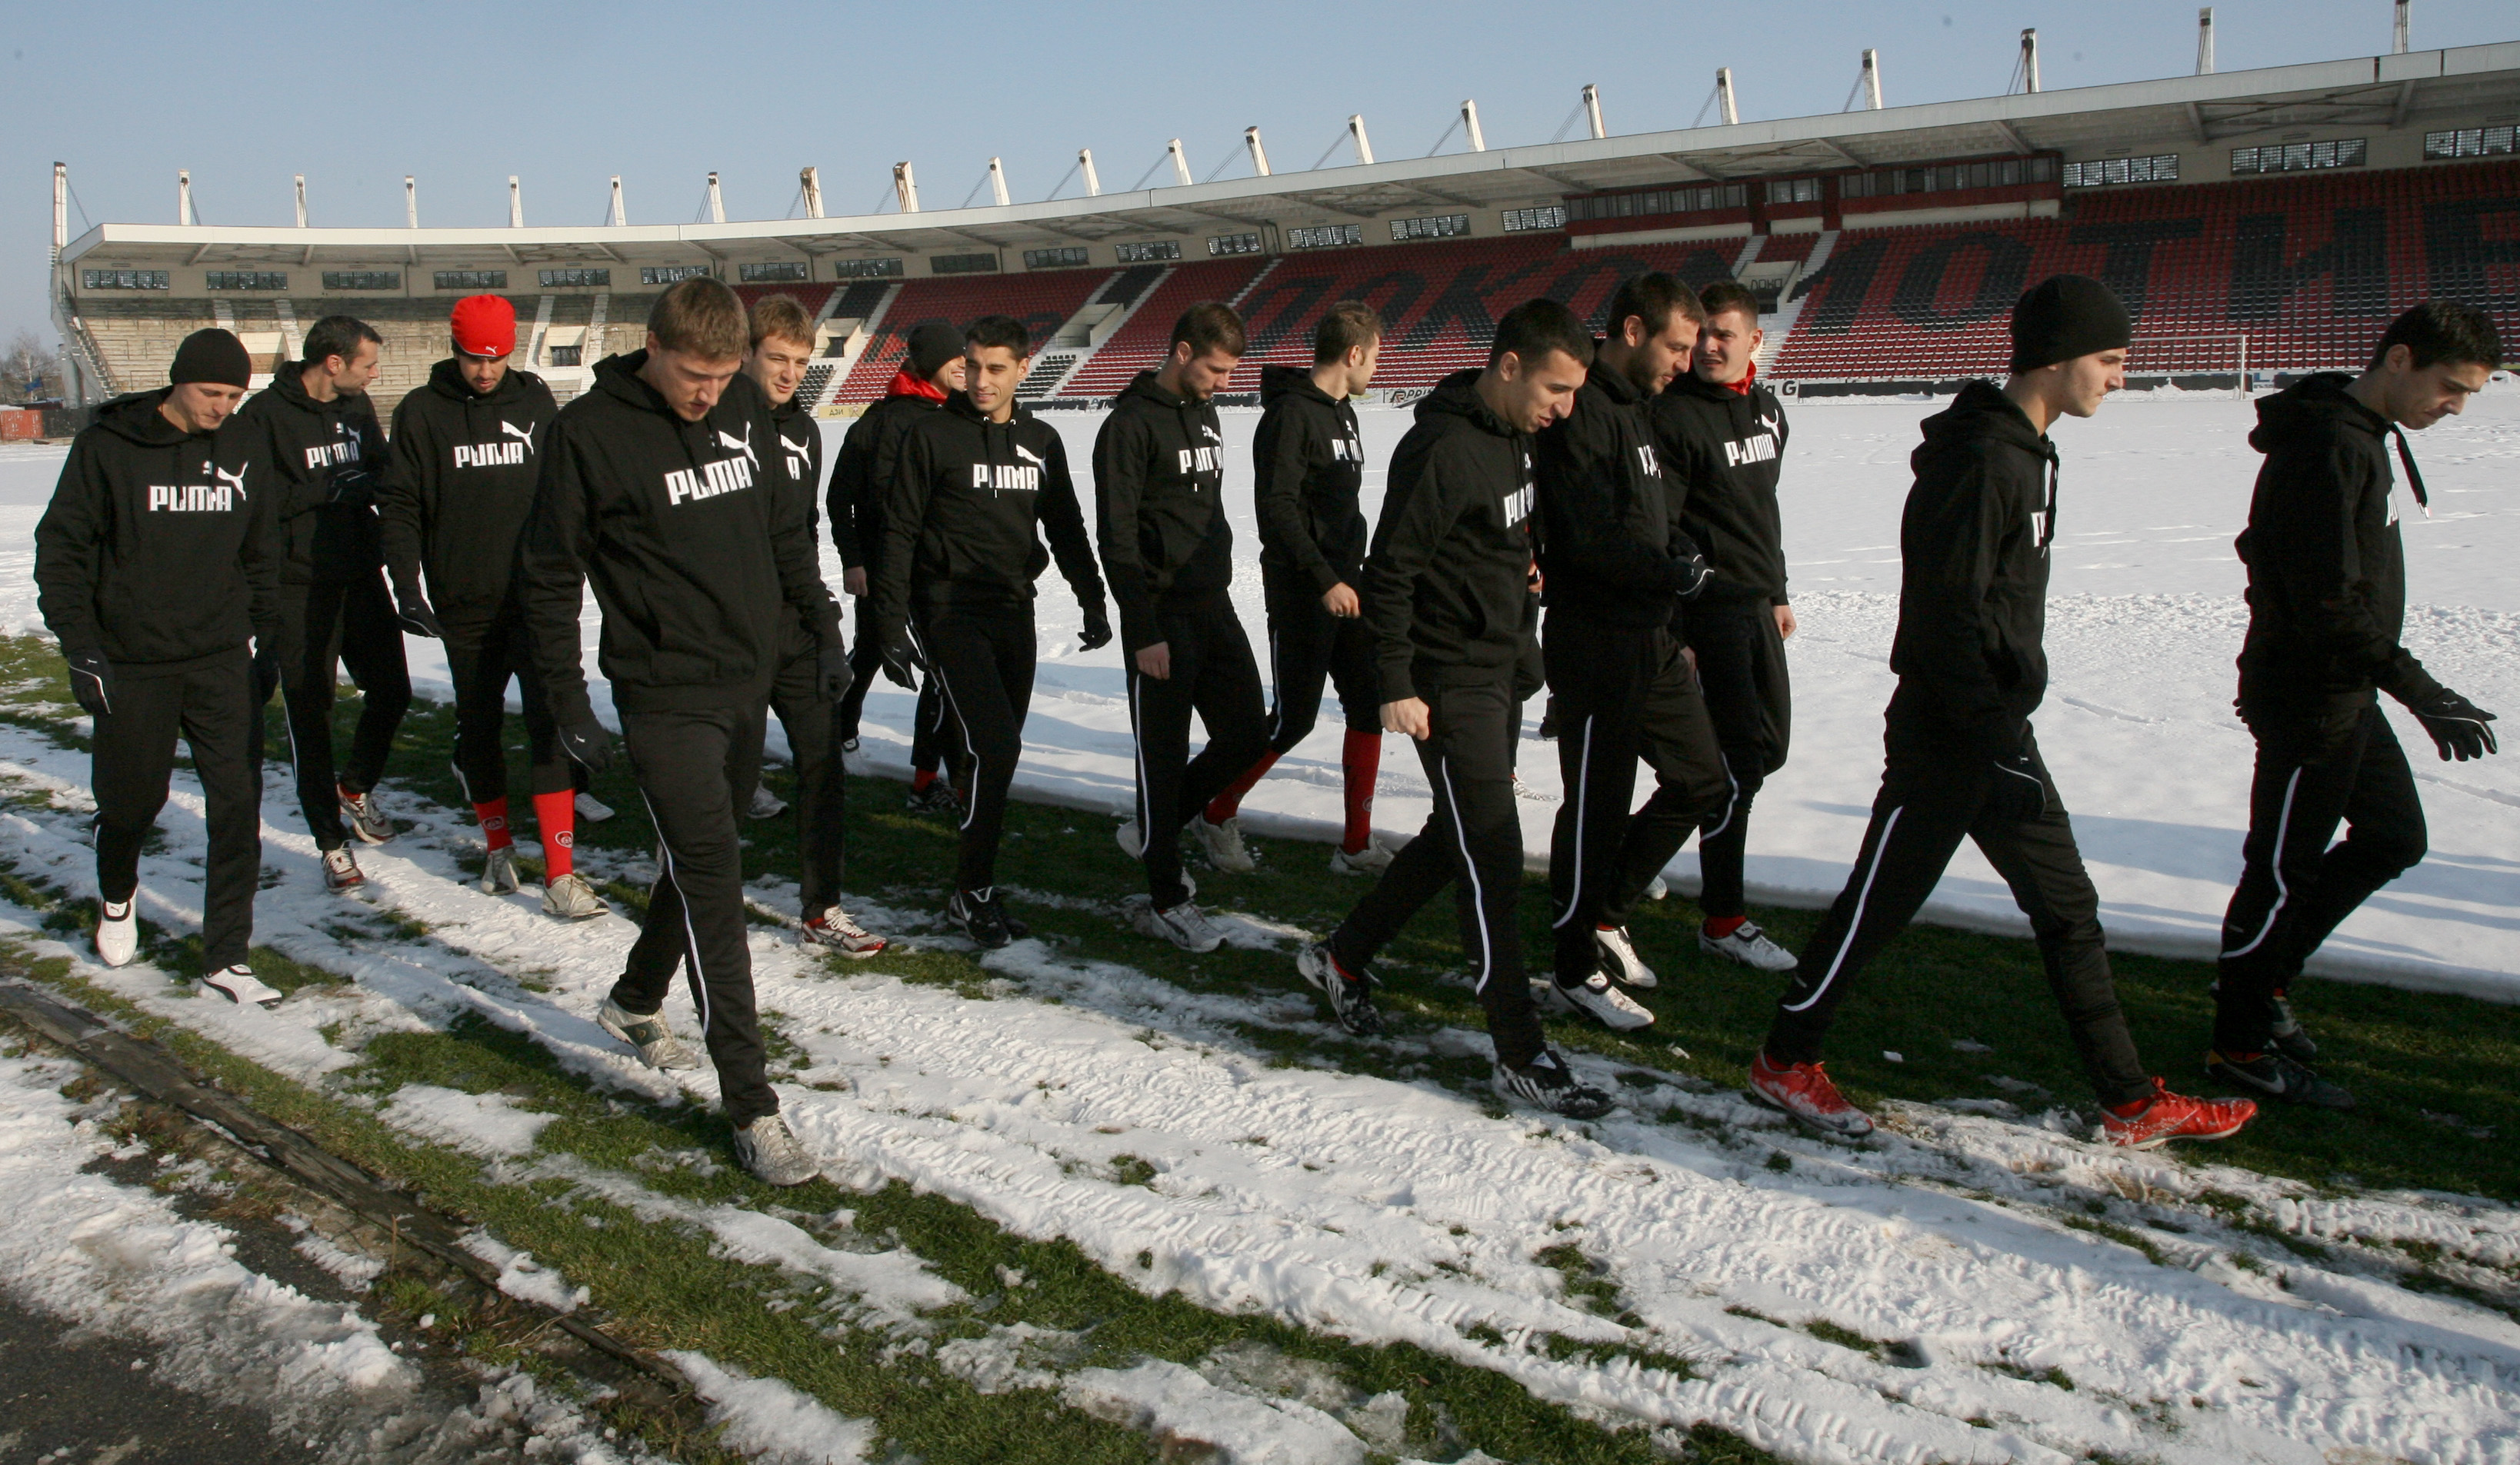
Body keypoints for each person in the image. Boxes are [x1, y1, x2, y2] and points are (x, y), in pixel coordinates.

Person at [1750, 275, 2257, 1150]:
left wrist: (2006, 734)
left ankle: (2130, 1102)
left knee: (2068, 909)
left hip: (1992, 732)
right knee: (1878, 906)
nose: (2120, 379)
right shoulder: (1984, 462)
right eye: (2110, 360)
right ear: (2057, 359)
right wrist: (1995, 738)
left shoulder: (2025, 451)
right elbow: (1940, 623)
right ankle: (1783, 1061)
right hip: (1952, 734)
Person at [517, 278, 847, 1187]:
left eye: (722, 374)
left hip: (745, 680)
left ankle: (632, 1000)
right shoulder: (588, 436)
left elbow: (782, 533)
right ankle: (752, 1104)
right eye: (693, 375)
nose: (709, 392)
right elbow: (548, 578)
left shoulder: (742, 402)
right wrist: (566, 702)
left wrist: (818, 628)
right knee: (713, 876)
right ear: (651, 346)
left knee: (698, 855)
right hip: (664, 695)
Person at [1295, 298, 1616, 1120]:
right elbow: (1391, 571)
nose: (1564, 409)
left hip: (1497, 671)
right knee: (1496, 860)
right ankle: (1518, 1048)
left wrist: (1524, 598)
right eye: (1555, 388)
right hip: (1444, 682)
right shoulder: (1440, 449)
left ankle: (1344, 955)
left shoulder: (1515, 439)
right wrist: (1395, 682)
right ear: (1508, 366)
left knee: (1457, 839)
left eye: (1575, 392)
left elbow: (1498, 543)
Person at [2208, 301, 2502, 1110]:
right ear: (2400, 359)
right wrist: (2422, 690)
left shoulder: (2363, 438)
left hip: (2346, 686)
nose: (2457, 406)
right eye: (2451, 387)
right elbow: (2328, 602)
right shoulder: (2330, 447)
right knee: (2278, 870)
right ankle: (2238, 1043)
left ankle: (2266, 987)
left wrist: (2396, 684)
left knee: (2393, 836)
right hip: (2310, 695)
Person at [35, 328, 284, 1007]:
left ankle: (227, 957)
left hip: (219, 659)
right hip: (133, 661)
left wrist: (268, 640)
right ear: (178, 381)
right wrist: (81, 645)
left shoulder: (243, 445)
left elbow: (264, 553)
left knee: (237, 807)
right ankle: (118, 894)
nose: (221, 408)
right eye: (211, 393)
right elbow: (61, 551)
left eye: (234, 395)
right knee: (130, 804)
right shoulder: (108, 448)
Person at [874, 315, 1112, 946]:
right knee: (996, 748)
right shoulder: (930, 435)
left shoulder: (1042, 440)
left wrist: (1092, 598)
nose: (980, 379)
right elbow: (896, 532)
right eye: (973, 365)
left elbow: (1064, 525)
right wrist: (890, 622)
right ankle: (971, 890)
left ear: (1022, 370)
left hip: (1015, 607)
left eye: (996, 368)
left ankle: (972, 885)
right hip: (947, 608)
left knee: (994, 757)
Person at [1535, 272, 1728, 1032]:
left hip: (1651, 636)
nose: (1689, 359)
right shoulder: (1583, 411)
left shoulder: (1642, 412)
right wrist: (1664, 569)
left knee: (1702, 780)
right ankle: (1572, 967)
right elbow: (1584, 542)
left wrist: (1679, 550)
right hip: (1597, 641)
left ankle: (1605, 910)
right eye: (1678, 345)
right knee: (1595, 807)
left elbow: (1642, 521)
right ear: (1636, 332)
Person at [378, 295, 608, 921]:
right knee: (477, 729)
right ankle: (498, 847)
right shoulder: (422, 413)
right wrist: (407, 585)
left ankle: (561, 874)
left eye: (496, 357)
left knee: (549, 725)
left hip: (538, 601)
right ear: (453, 349)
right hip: (465, 606)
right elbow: (400, 505)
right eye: (473, 358)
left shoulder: (534, 402)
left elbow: (566, 489)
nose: (485, 371)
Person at [1193, 302, 1389, 876]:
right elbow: (1276, 509)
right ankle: (1215, 808)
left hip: (1349, 588)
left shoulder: (1343, 412)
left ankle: (1355, 844)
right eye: (1375, 356)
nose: (1377, 367)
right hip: (1305, 592)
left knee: (1368, 707)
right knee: (1292, 719)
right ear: (1353, 354)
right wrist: (1323, 578)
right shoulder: (1290, 417)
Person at [1096, 303, 1270, 952]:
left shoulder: (1207, 412)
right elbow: (1115, 537)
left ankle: (1156, 826)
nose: (1225, 383)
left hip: (1212, 602)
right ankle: (1166, 897)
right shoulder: (1129, 425)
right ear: (1182, 352)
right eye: (1217, 369)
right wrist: (1141, 629)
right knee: (1161, 761)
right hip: (1159, 614)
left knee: (1249, 731)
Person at [1652, 279, 1799, 972]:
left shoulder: (1769, 412)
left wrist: (1776, 589)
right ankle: (1723, 915)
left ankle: (1637, 857)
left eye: (1725, 336)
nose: (1709, 347)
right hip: (1707, 616)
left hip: (1755, 607)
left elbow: (1759, 511)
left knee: (1764, 753)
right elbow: (1665, 530)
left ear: (1755, 343)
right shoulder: (1674, 417)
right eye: (1703, 334)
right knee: (1734, 768)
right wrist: (1681, 630)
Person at [235, 315, 411, 891]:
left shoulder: (357, 408)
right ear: (333, 363)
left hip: (360, 575)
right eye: (368, 364)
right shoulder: (263, 417)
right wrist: (326, 489)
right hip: (297, 586)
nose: (375, 374)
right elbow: (250, 500)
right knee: (310, 716)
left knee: (393, 691)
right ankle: (330, 842)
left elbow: (380, 473)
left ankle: (354, 787)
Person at [744, 294, 885, 956]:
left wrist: (825, 628)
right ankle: (681, 892)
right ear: (745, 353)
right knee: (719, 779)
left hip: (795, 621)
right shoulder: (713, 425)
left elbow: (801, 533)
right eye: (776, 358)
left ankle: (821, 908)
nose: (789, 373)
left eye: (800, 361)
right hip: (730, 628)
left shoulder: (805, 431)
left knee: (822, 763)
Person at [828, 320, 968, 812]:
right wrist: (856, 561)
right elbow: (841, 499)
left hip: (937, 568)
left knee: (933, 665)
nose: (967, 369)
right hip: (887, 566)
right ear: (932, 365)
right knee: (873, 650)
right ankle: (846, 731)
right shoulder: (882, 421)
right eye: (958, 360)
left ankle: (932, 774)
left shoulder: (963, 415)